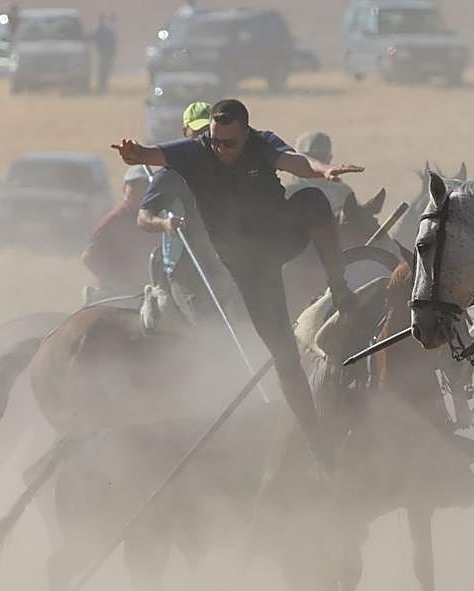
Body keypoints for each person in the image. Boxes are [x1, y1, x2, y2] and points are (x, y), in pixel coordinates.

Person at [112, 99, 363, 468]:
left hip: (279, 235)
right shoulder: (194, 152)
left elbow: (296, 162)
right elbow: (152, 156)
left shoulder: (262, 143)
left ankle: (339, 286)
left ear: (246, 134)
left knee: (313, 200)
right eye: (215, 141)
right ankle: (315, 441)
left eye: (229, 143)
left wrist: (325, 170)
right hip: (249, 265)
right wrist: (135, 154)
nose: (221, 149)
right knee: (284, 355)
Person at [136, 102, 229, 320]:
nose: (203, 139)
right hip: (185, 270)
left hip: (224, 262)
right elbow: (143, 218)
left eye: (208, 132)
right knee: (206, 321)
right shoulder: (169, 175)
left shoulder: (229, 168)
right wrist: (164, 224)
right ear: (185, 132)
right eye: (197, 132)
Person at [81, 165, 155, 303]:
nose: (141, 190)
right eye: (135, 186)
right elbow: (88, 257)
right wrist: (115, 283)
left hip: (145, 290)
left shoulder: (155, 219)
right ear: (124, 189)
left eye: (145, 186)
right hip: (117, 294)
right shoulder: (114, 220)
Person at [283, 131, 354, 216]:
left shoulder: (341, 191)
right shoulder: (290, 191)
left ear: (329, 158)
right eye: (310, 157)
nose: (316, 162)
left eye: (320, 156)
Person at [90, 13, 117, 96]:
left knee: (104, 70)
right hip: (104, 52)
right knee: (104, 70)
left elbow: (93, 37)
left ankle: (102, 87)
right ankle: (102, 86)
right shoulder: (108, 28)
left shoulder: (101, 28)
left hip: (105, 52)